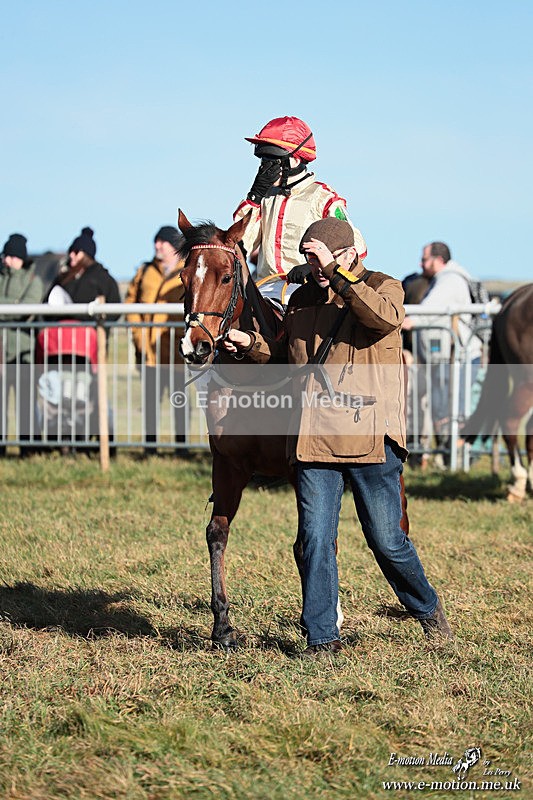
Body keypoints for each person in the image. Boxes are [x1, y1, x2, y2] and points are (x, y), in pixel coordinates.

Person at [222, 218, 453, 657]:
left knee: (386, 540)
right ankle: (323, 638)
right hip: (314, 436)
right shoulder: (304, 299)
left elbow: (383, 321)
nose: (314, 266)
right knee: (314, 539)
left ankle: (427, 609)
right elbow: (285, 357)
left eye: (321, 258)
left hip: (369, 437)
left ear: (349, 255)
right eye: (309, 258)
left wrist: (340, 276)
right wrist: (248, 343)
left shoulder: (384, 287)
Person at [234, 116, 367, 286]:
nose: (265, 167)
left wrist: (316, 265)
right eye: (263, 160)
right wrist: (254, 198)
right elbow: (239, 247)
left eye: (272, 160)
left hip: (309, 289)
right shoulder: (264, 198)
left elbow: (357, 247)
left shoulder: (323, 196)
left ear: (296, 160)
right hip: (264, 288)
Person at [401, 242, 482, 460]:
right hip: (454, 355)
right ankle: (452, 456)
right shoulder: (455, 277)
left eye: (425, 259)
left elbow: (429, 308)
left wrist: (408, 321)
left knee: (452, 408)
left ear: (438, 260)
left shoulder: (449, 280)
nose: (421, 263)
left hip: (457, 356)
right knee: (449, 406)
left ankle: (460, 457)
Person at [125, 226, 186, 454]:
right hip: (149, 351)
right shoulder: (145, 270)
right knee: (150, 402)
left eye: (162, 242)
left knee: (179, 400)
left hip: (175, 349)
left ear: (174, 246)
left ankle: (182, 447)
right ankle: (150, 448)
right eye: (156, 241)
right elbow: (130, 302)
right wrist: (137, 333)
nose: (157, 246)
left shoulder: (186, 269)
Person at [0, 234, 44, 455]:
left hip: (23, 352)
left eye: (11, 256)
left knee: (25, 404)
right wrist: (13, 305)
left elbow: (27, 308)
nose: (6, 260)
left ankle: (29, 449)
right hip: (1, 353)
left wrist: (8, 308)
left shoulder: (33, 280)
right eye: (5, 255)